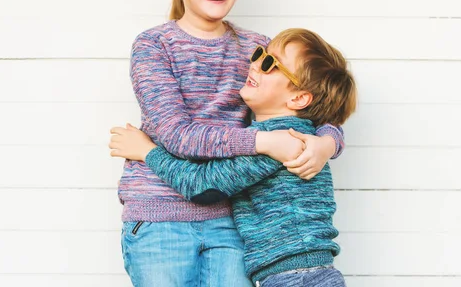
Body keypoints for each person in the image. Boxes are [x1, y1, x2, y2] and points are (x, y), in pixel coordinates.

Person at [114, 0, 345, 286]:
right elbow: (179, 136)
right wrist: (265, 142)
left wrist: (326, 143)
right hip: (161, 216)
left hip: (230, 220)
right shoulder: (154, 46)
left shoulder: (258, 50)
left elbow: (316, 103)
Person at [111, 28, 357, 286]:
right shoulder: (304, 136)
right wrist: (329, 142)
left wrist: (147, 152)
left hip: (297, 278)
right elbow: (328, 121)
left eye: (270, 63)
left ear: (298, 98)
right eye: (260, 54)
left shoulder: (279, 144)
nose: (254, 65)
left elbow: (200, 185)